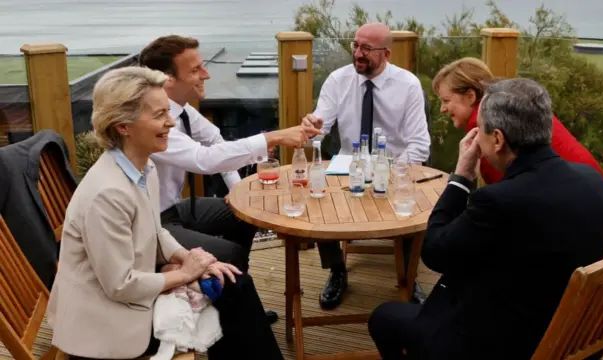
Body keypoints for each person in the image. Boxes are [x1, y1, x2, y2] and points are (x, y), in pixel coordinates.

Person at [46, 66, 284, 360]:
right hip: (107, 320)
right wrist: (185, 274)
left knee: (232, 282)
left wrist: (186, 258)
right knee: (231, 297)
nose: (171, 122)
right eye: (159, 115)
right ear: (123, 126)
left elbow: (155, 231)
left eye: (168, 112)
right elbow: (121, 286)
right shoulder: (107, 194)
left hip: (126, 295)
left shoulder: (142, 166)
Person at [368, 78, 603, 359]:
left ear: (497, 139)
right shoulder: (593, 181)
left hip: (505, 344)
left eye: (480, 131)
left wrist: (461, 177)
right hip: (571, 333)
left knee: (384, 317)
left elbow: (435, 253)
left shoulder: (500, 201)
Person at [139, 35, 320, 323]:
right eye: (196, 69)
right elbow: (204, 160)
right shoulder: (153, 123)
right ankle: (238, 314)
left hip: (175, 209)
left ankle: (234, 299)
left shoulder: (183, 111)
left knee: (245, 214)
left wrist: (237, 192)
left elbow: (215, 140)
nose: (206, 74)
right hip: (153, 224)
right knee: (230, 251)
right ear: (166, 79)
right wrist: (272, 137)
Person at [301, 22, 432, 310]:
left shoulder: (408, 84)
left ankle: (409, 278)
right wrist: (312, 128)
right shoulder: (337, 80)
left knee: (413, 202)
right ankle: (337, 270)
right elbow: (319, 131)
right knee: (319, 195)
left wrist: (393, 173)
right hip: (352, 165)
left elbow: (420, 145)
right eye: (355, 46)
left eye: (366, 49)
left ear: (386, 53)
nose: (358, 54)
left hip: (396, 166)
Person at [432, 56, 603, 193]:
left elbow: (506, 197)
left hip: (572, 207)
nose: (442, 109)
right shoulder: (518, 104)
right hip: (594, 191)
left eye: (446, 100)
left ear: (470, 96)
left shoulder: (489, 133)